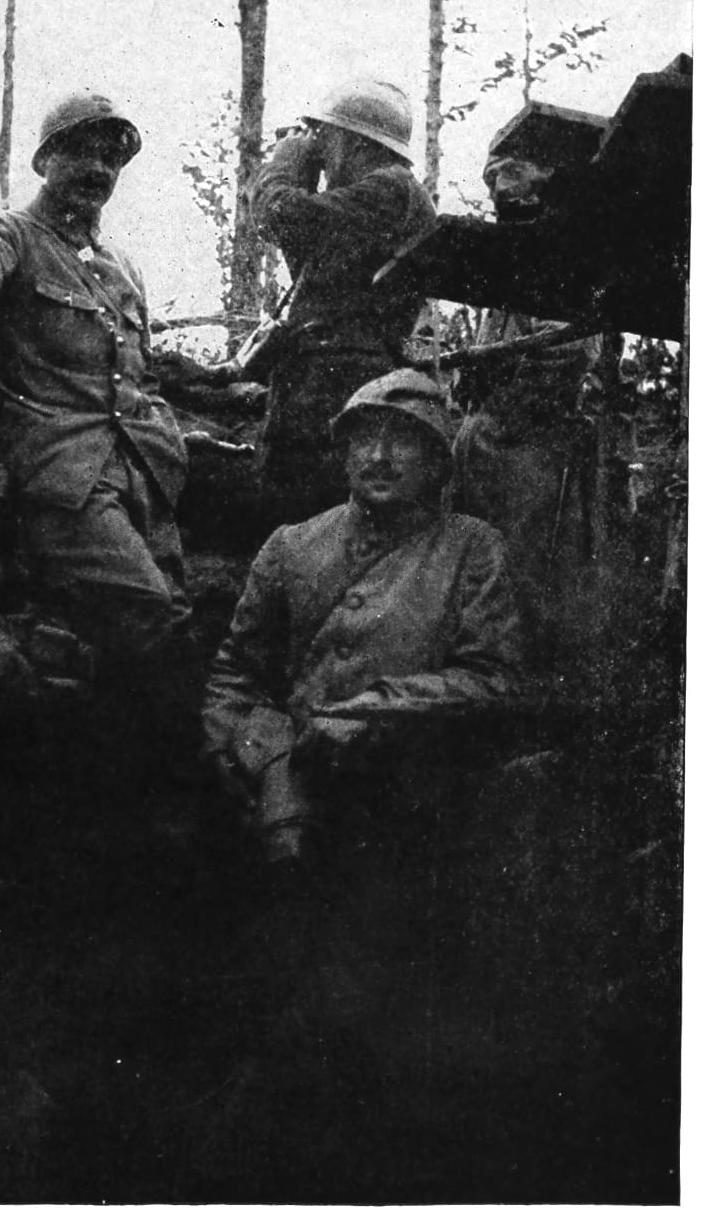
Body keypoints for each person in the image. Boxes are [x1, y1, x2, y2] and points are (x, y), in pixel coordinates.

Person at [198, 369, 526, 1196]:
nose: (378, 454)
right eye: (362, 437)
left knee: (383, 1024)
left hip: (408, 820)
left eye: (403, 439)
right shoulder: (290, 546)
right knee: (268, 1001)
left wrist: (376, 712)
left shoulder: (472, 550)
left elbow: (491, 679)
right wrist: (258, 759)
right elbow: (235, 679)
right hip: (282, 814)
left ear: (438, 459)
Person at [0, 92, 199, 843]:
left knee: (178, 618)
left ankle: (119, 808)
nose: (97, 169)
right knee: (149, 617)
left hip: (141, 474)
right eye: (82, 152)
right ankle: (171, 807)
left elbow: (138, 370)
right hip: (61, 479)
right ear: (46, 159)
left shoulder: (119, 265)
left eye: (111, 157)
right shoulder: (16, 232)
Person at [451, 125, 606, 682]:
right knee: (482, 564)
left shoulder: (562, 252)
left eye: (510, 173)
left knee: (528, 568)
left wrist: (507, 416)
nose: (498, 189)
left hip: (530, 443)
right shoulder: (512, 258)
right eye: (491, 178)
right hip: (494, 439)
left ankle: (529, 683)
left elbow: (565, 350)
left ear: (546, 178)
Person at [248, 77, 438, 526]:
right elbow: (312, 266)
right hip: (326, 377)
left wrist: (283, 166)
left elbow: (281, 215)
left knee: (317, 521)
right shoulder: (366, 201)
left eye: (324, 137)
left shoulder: (392, 189)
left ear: (354, 142)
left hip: (342, 384)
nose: (317, 148)